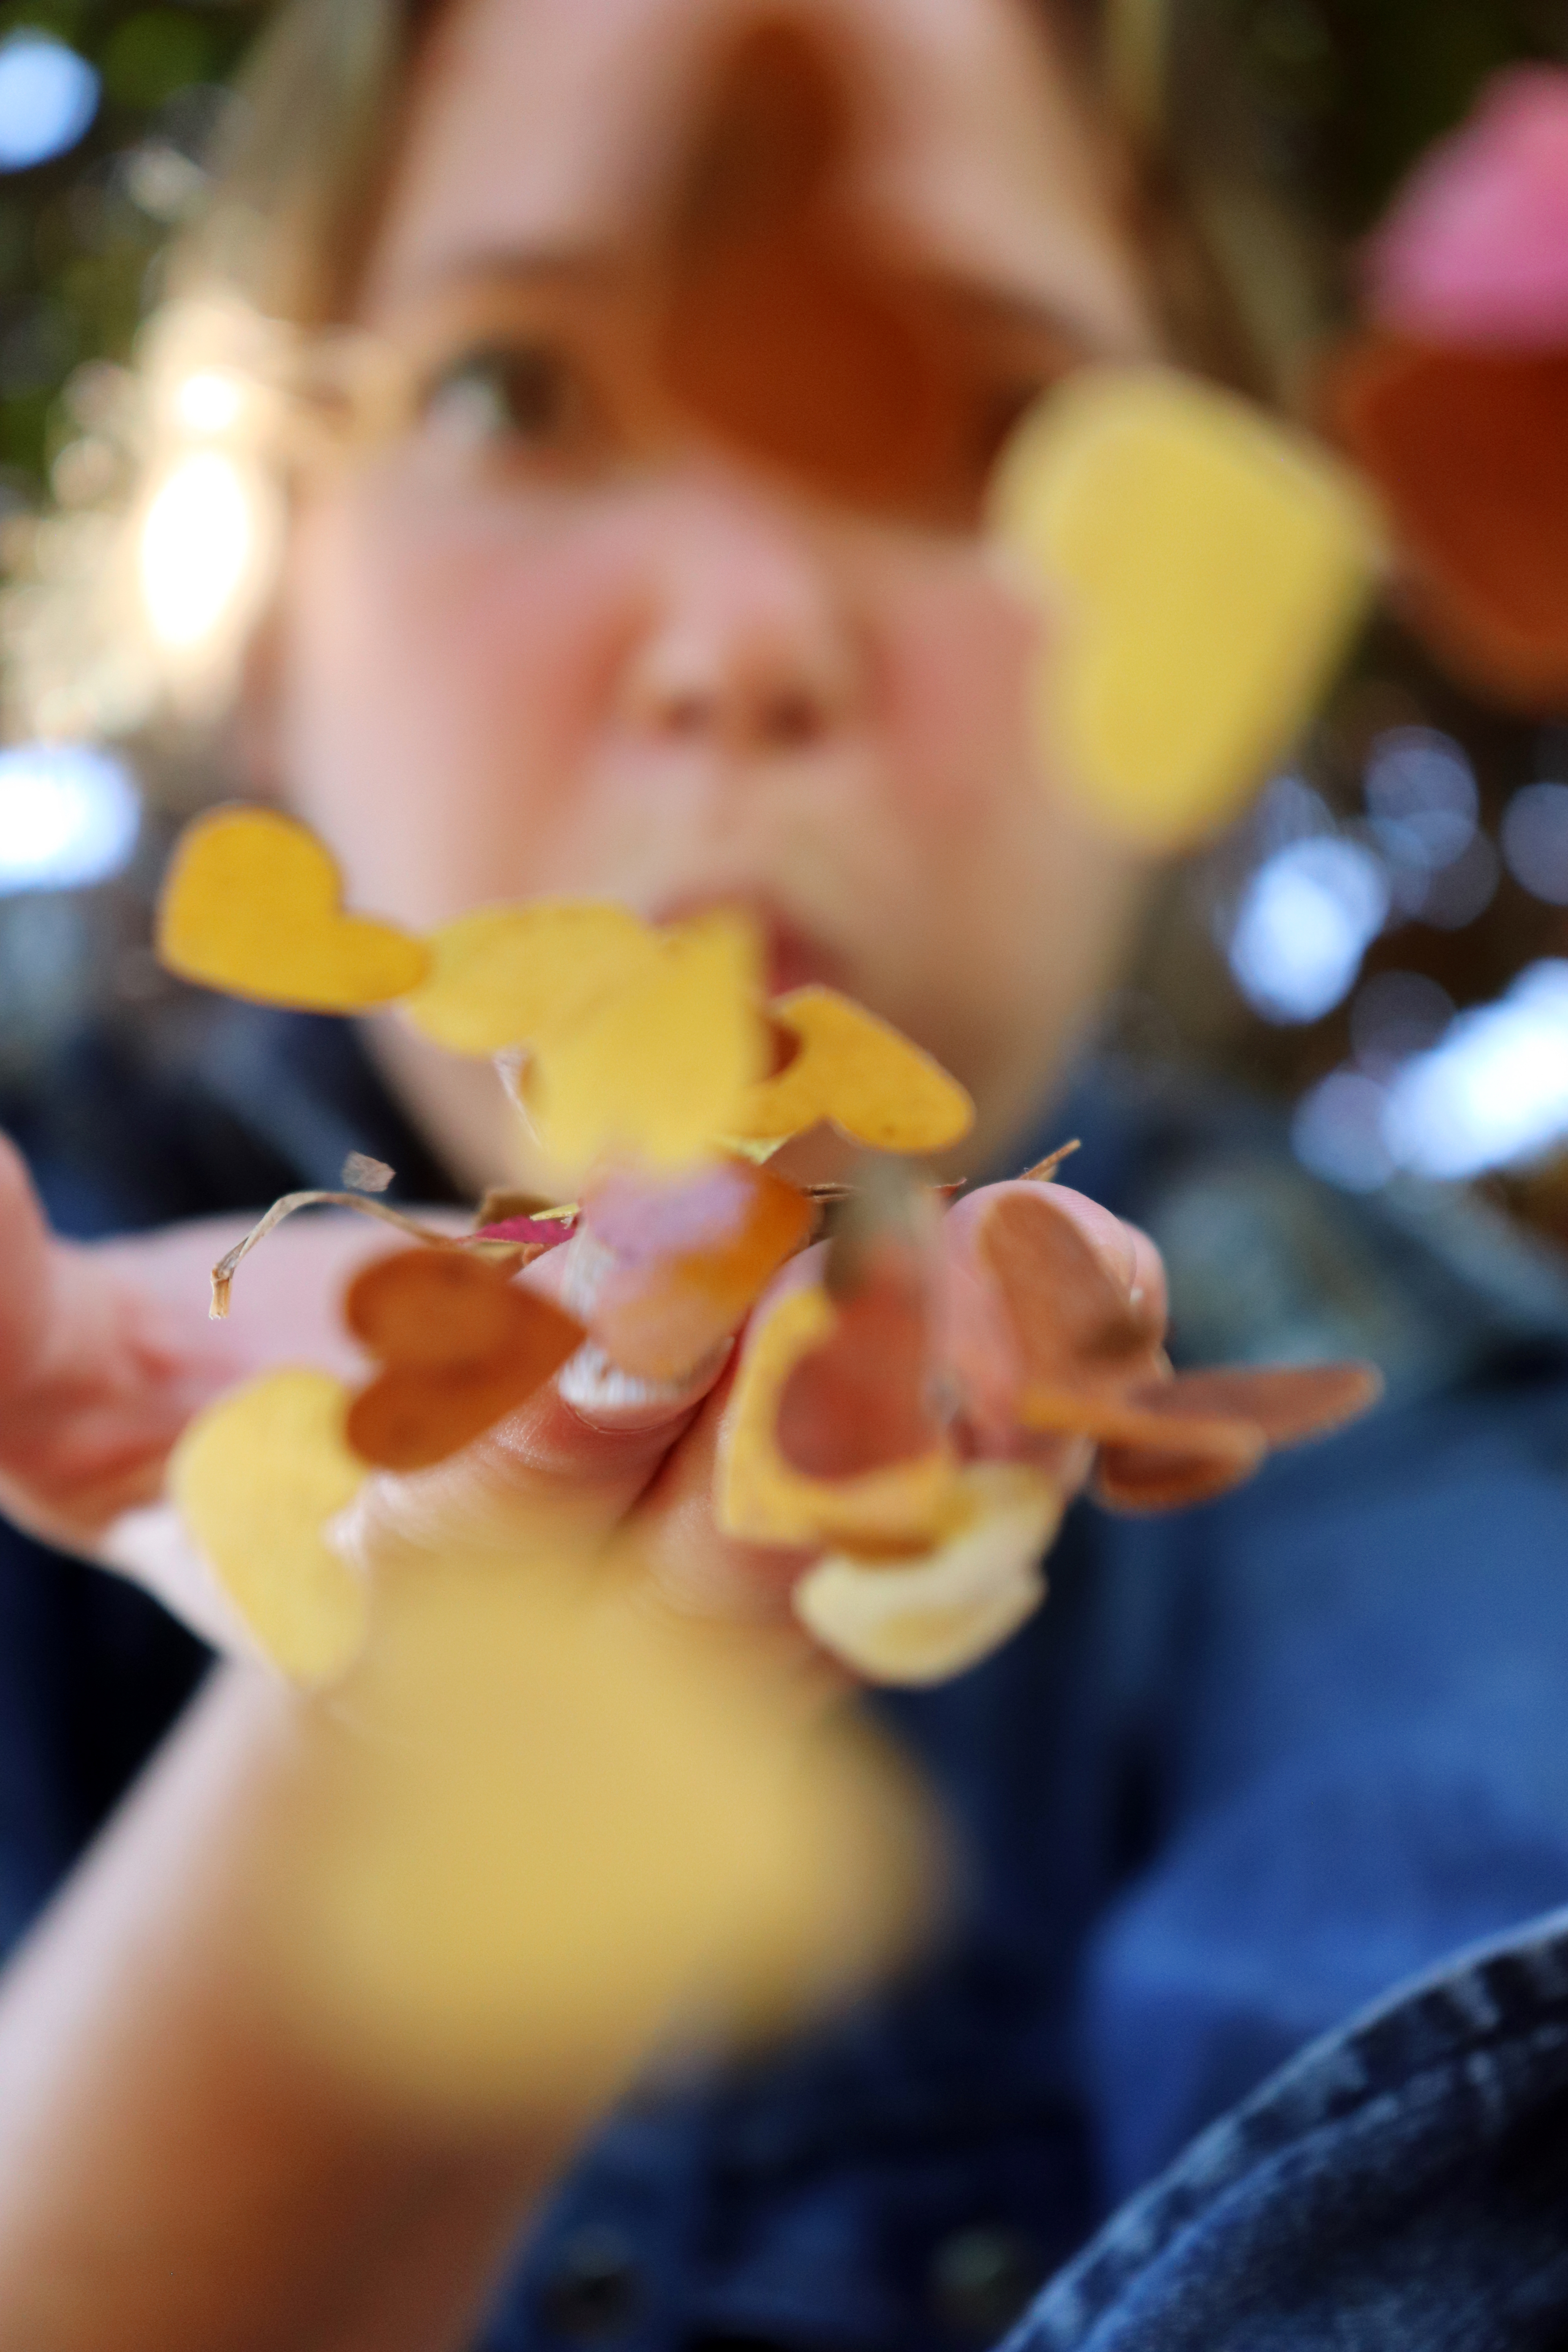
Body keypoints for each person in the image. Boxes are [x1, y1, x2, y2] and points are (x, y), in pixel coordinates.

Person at [2, 2, 1568, 2346]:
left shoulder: (1368, 1375)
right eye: (510, 389)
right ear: (265, 618)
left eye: (992, 425)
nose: (745, 640)